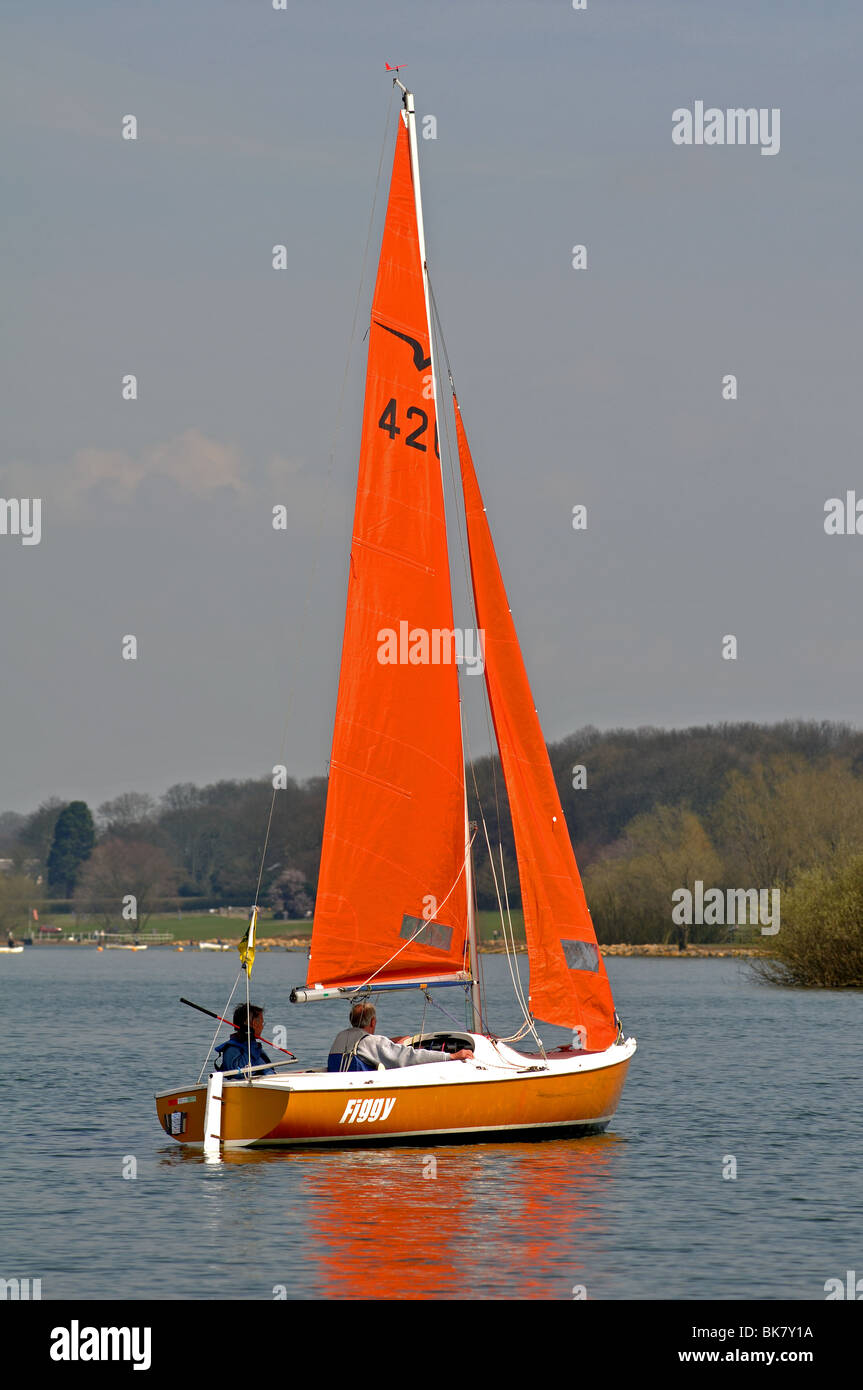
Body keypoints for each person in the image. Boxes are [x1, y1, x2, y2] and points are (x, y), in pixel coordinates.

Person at [328, 1001, 473, 1072]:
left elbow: (365, 1047)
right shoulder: (371, 1043)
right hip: (358, 1089)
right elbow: (408, 1056)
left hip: (342, 1082)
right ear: (373, 1022)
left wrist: (391, 1043)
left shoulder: (341, 1036)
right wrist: (451, 1057)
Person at [214, 1003, 275, 1077]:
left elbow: (268, 1071)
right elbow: (241, 1074)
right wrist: (249, 1039)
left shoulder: (256, 1048)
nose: (262, 1027)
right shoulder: (232, 1049)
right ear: (254, 1024)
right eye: (262, 1023)